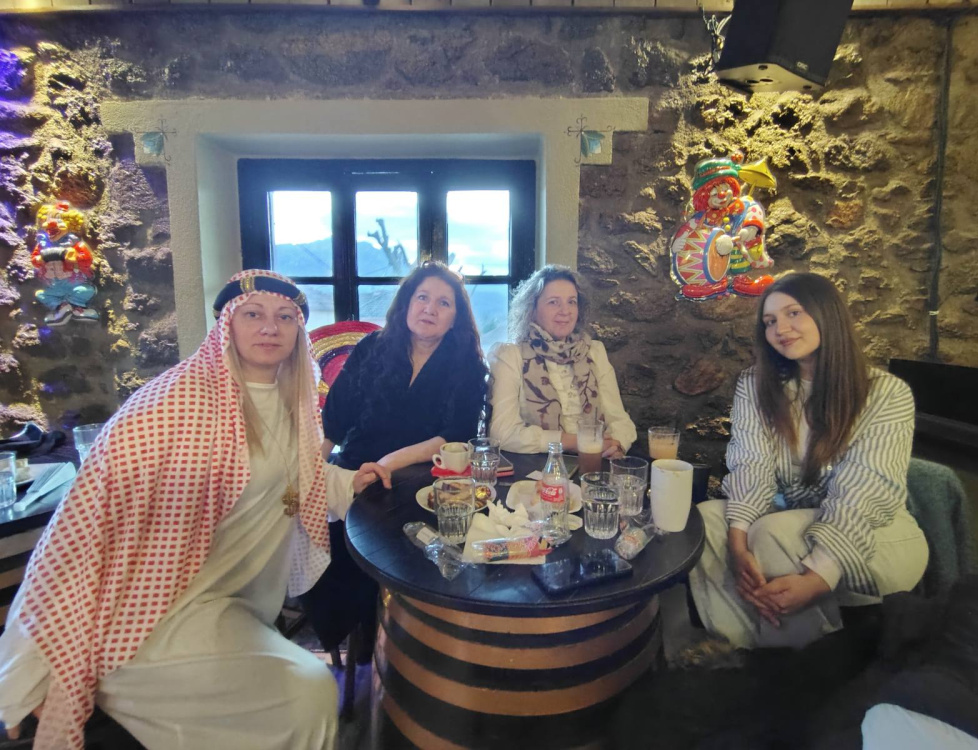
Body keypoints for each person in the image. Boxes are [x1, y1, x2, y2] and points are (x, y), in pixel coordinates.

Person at [0, 269, 389, 750]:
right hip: (155, 617)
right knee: (306, 693)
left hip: (231, 607)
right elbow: (80, 533)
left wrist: (351, 482)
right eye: (253, 314)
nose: (271, 327)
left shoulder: (292, 399)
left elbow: (295, 476)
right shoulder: (171, 407)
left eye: (285, 317)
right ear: (227, 324)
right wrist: (30, 668)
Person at [688, 272, 928, 649]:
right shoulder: (755, 384)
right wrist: (737, 544)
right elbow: (752, 464)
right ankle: (738, 650)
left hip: (876, 532)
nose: (780, 329)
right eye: (770, 321)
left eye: (794, 313)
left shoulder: (885, 393)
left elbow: (863, 492)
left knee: (770, 533)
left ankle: (796, 664)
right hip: (795, 515)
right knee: (706, 521)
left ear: (826, 313)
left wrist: (820, 577)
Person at [302, 261, 488, 657]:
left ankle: (404, 645)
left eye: (444, 303)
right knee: (334, 553)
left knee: (414, 559)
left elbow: (454, 434)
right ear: (406, 303)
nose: (430, 309)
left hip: (419, 481)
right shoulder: (372, 348)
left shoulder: (467, 365)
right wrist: (312, 474)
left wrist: (388, 464)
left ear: (455, 318)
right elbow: (334, 420)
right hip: (354, 471)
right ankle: (364, 643)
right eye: (422, 297)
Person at [487, 264, 636, 457]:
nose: (565, 311)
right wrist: (575, 442)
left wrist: (616, 446)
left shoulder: (594, 351)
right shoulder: (509, 356)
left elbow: (620, 421)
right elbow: (503, 433)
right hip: (538, 467)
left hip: (595, 460)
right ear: (532, 309)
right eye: (553, 302)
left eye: (572, 302)